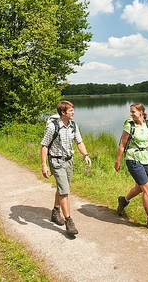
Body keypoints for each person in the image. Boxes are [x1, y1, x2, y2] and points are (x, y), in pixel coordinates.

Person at [41, 100, 91, 236]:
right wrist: (44, 165)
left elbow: (79, 141)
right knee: (64, 191)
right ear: (63, 112)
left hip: (69, 161)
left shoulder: (73, 125)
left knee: (63, 187)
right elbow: (44, 145)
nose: (73, 112)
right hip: (56, 162)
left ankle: (55, 211)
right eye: (71, 111)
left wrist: (85, 155)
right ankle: (69, 221)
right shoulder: (52, 127)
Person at [114, 102, 148, 233]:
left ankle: (123, 201)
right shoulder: (129, 125)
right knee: (147, 188)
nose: (131, 114)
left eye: (133, 112)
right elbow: (122, 145)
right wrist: (118, 161)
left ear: (141, 112)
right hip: (132, 159)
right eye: (130, 112)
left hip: (145, 158)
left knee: (139, 187)